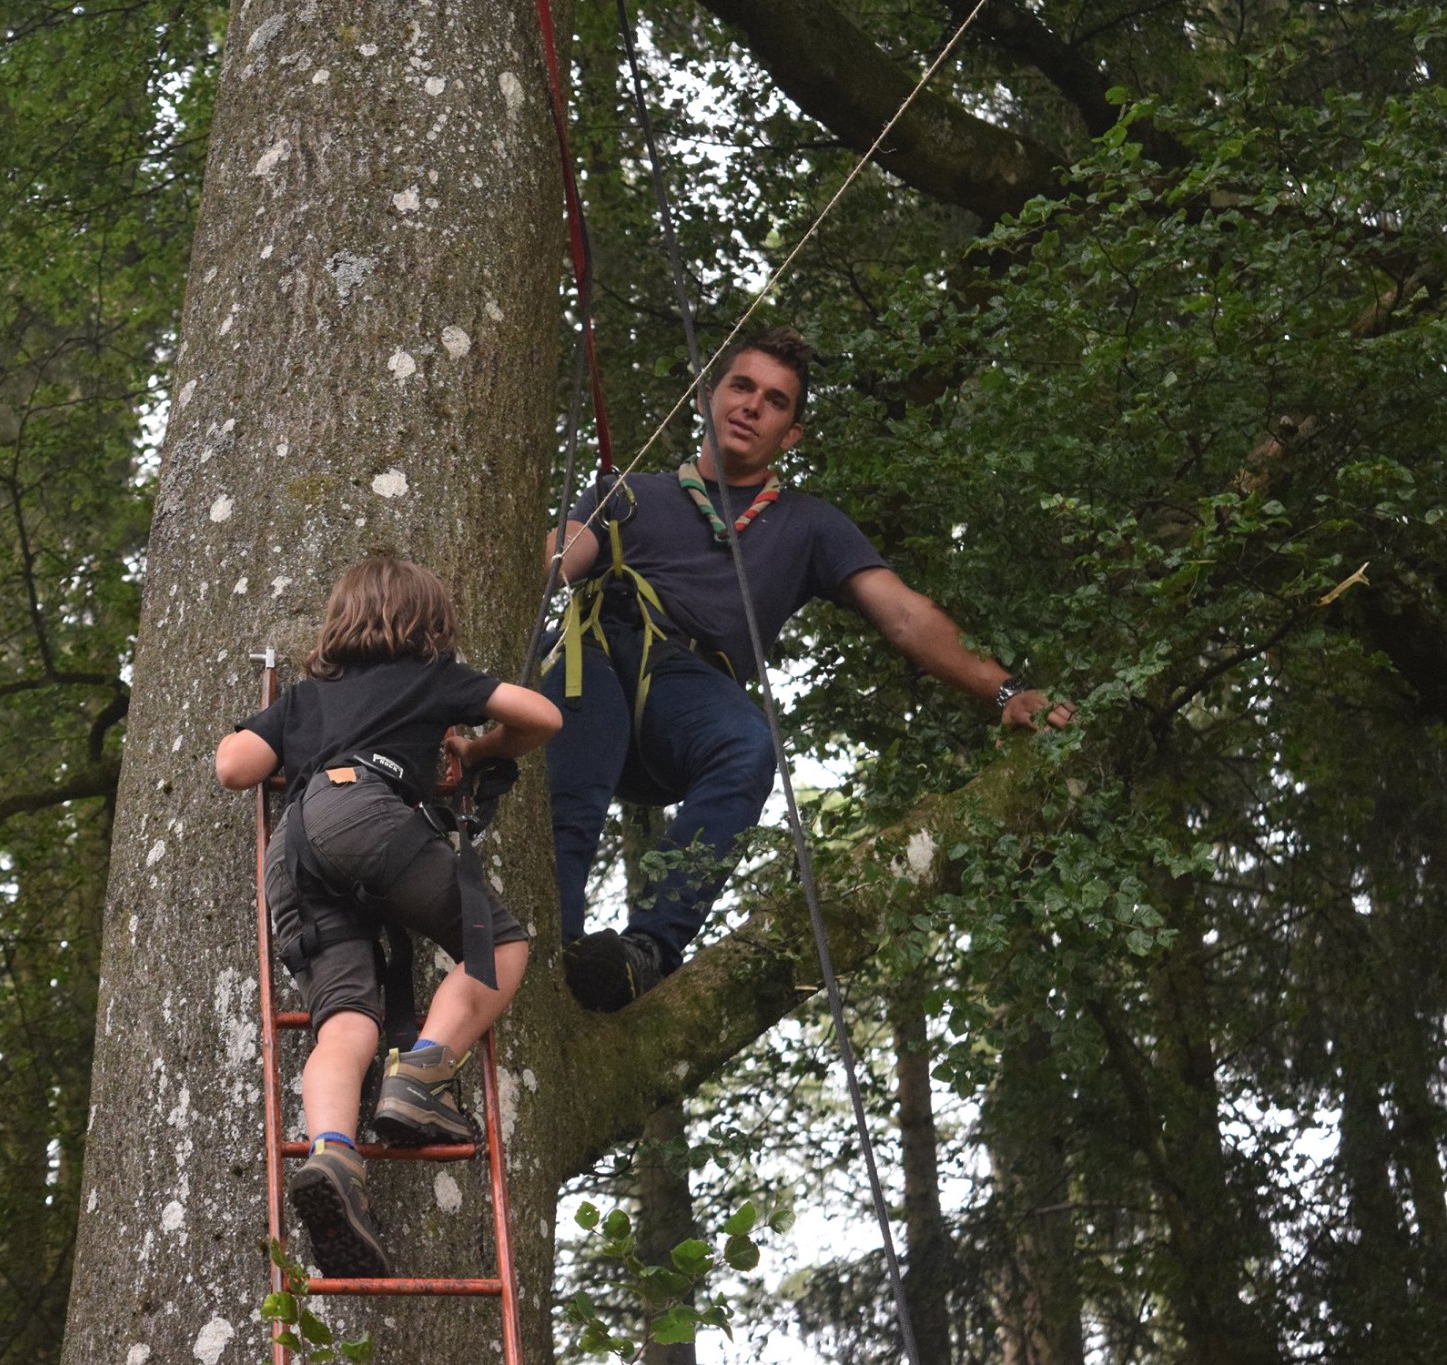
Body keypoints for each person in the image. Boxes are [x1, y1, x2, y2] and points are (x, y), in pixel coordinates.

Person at [542, 325, 1074, 1012]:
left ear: (791, 433)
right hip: (597, 665)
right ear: (708, 397)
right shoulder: (634, 491)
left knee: (749, 742)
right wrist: (559, 554)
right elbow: (565, 557)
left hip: (687, 695)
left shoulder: (809, 525)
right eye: (740, 386)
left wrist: (1003, 688)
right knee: (572, 792)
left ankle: (648, 951)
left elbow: (905, 615)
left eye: (775, 400)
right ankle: (550, 952)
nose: (752, 406)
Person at [216, 556, 562, 1278]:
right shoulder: (434, 679)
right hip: (368, 814)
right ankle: (421, 1075)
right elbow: (543, 716)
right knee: (499, 946)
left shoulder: (310, 697)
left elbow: (236, 767)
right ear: (431, 628)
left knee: (347, 1021)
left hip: (294, 848)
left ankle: (334, 1153)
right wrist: (479, 746)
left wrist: (260, 725)